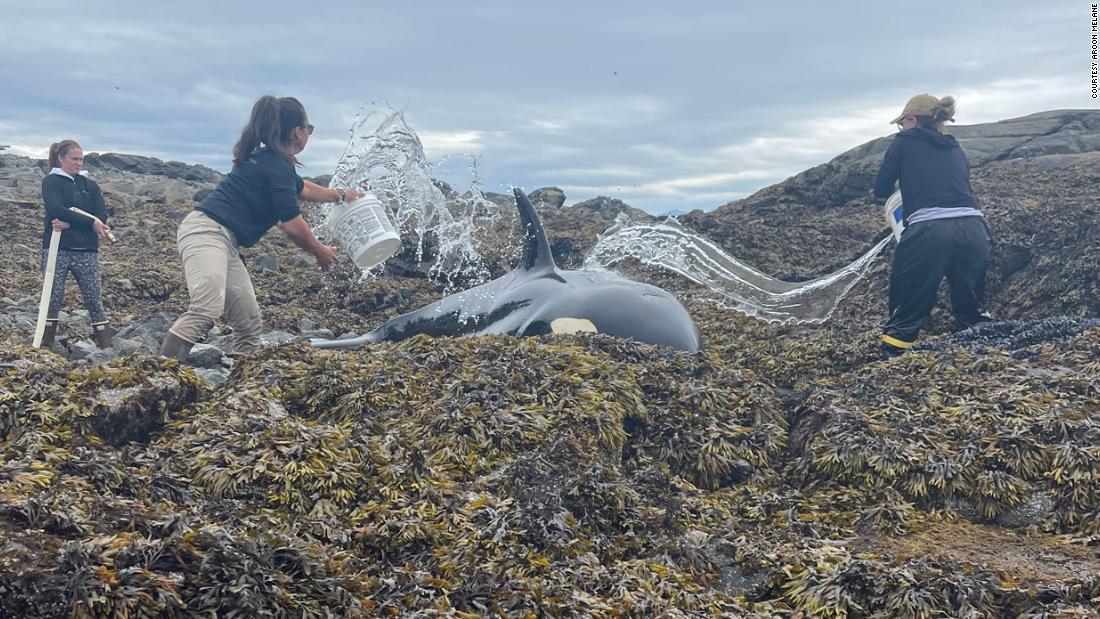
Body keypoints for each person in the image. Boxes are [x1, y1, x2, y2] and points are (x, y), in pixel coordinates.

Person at [159, 96, 360, 359]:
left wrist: (341, 195)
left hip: (227, 241)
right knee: (206, 308)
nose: (308, 134)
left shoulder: (274, 162)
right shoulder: (276, 165)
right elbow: (291, 224)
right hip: (205, 232)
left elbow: (305, 188)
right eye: (309, 128)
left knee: (248, 320)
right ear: (297, 132)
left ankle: (240, 382)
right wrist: (320, 250)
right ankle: (159, 374)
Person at [872, 94, 992, 357]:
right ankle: (974, 363)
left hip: (929, 231)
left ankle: (893, 364)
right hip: (974, 229)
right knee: (970, 311)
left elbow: (880, 189)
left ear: (912, 120)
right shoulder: (955, 147)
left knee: (906, 312)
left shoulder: (903, 142)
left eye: (901, 123)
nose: (900, 128)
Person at [39, 139, 114, 348]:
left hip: (86, 251)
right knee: (52, 299)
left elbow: (101, 217)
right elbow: (56, 209)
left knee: (94, 299)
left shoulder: (90, 186)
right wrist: (90, 222)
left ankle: (106, 347)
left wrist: (71, 224)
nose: (78, 163)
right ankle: (45, 345)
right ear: (60, 158)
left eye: (81, 159)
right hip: (56, 249)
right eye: (74, 159)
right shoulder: (51, 182)